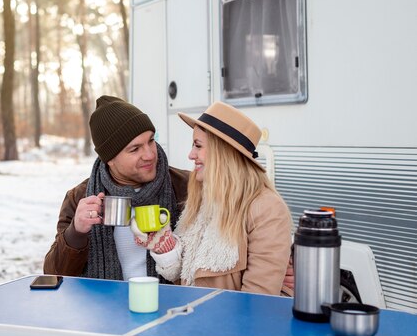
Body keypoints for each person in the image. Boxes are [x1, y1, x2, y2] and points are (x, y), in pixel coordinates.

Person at [131, 101, 293, 295]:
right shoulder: (203, 201)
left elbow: (257, 302)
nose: (191, 155)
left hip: (229, 324)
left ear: (222, 152)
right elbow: (187, 279)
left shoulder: (266, 209)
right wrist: (166, 248)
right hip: (193, 319)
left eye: (198, 145)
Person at [43, 95, 189, 280]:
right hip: (105, 305)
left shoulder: (185, 187)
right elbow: (53, 274)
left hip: (170, 304)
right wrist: (76, 233)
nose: (150, 154)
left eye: (151, 141)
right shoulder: (80, 197)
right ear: (109, 159)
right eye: (135, 149)